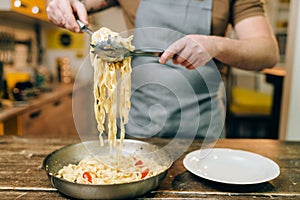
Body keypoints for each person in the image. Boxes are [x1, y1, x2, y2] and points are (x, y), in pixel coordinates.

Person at [46, 0, 279, 139]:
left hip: (203, 130)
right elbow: (80, 3)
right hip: (137, 124)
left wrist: (216, 45)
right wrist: (63, 4)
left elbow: (266, 52)